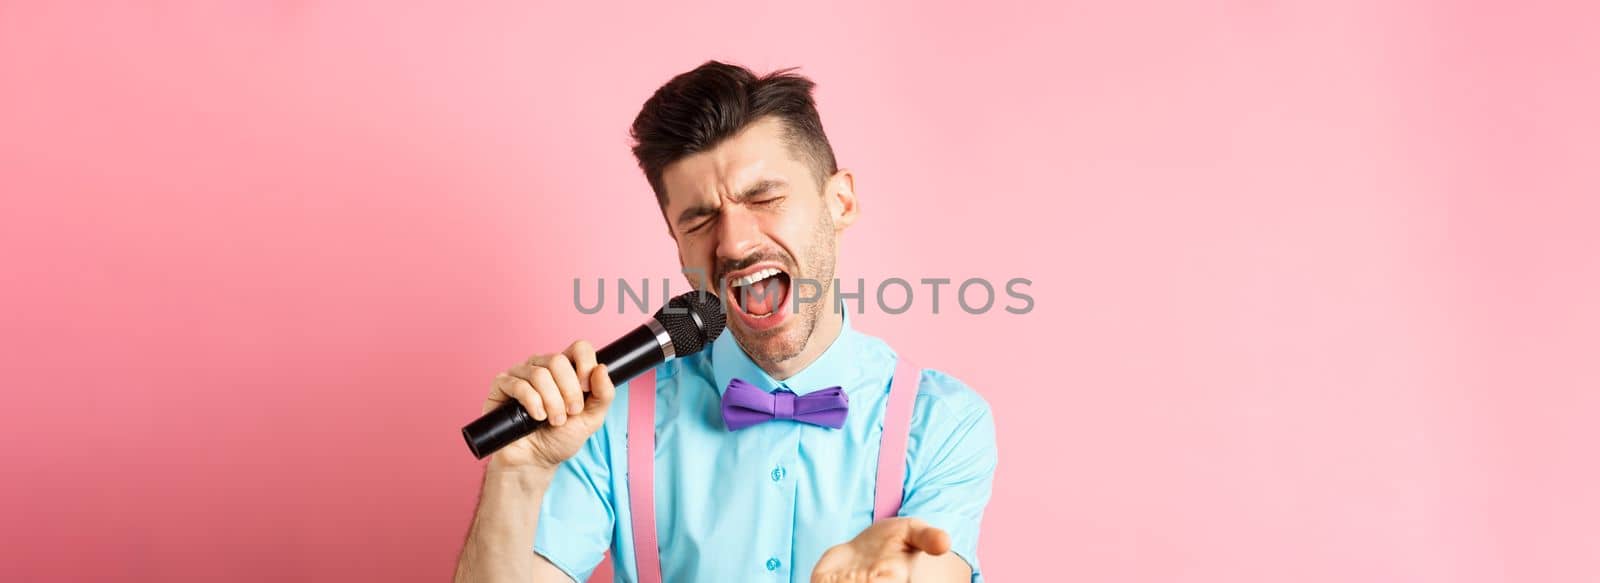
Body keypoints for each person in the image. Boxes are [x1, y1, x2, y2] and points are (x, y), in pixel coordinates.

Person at [454, 61, 997, 583]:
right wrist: (519, 476)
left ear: (841, 202)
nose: (733, 243)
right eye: (700, 219)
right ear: (677, 245)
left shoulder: (943, 421)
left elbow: (933, 567)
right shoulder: (605, 423)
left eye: (764, 196)